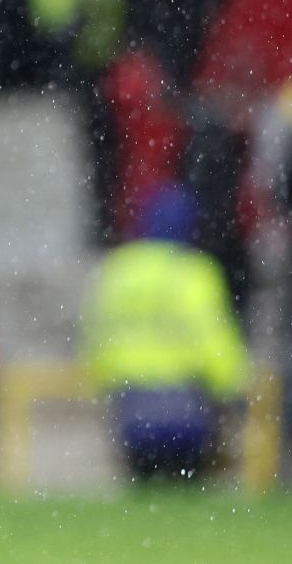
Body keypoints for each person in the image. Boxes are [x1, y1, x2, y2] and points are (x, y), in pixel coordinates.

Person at [84, 185, 250, 482]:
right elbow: (216, 343)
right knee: (186, 496)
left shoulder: (118, 271)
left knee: (145, 492)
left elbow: (97, 338)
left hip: (131, 406)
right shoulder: (194, 273)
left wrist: (106, 382)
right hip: (187, 409)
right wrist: (234, 393)